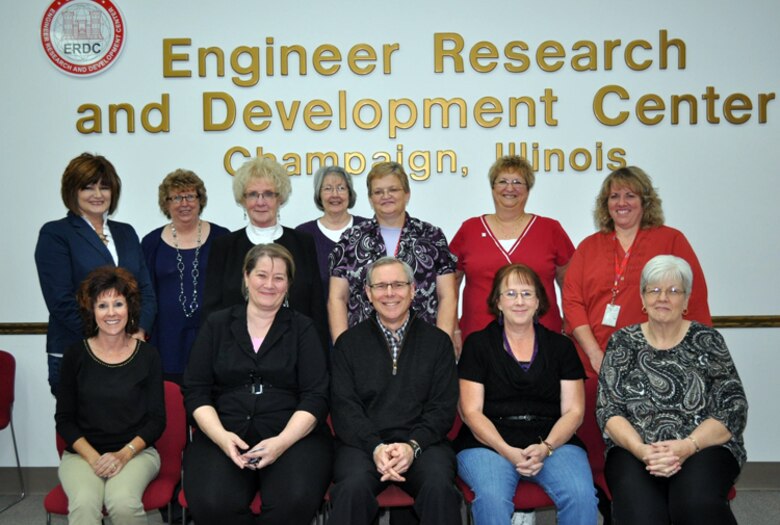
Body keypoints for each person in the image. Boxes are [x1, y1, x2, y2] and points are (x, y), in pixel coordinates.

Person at [183, 244, 332, 525]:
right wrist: (220, 437)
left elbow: (316, 396)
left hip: (292, 436)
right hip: (224, 432)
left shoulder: (303, 328)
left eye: (279, 278)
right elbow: (195, 390)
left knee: (294, 500)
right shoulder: (217, 324)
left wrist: (282, 443)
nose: (269, 285)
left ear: (288, 284)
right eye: (262, 275)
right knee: (211, 503)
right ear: (246, 277)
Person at [597, 255, 747, 525]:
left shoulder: (707, 340)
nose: (662, 297)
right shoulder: (622, 342)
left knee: (694, 505)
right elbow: (609, 411)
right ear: (643, 299)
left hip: (703, 446)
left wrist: (688, 446)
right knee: (641, 515)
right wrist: (643, 451)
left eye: (673, 291)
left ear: (687, 300)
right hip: (635, 449)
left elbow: (732, 408)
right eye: (654, 290)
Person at [455, 263, 598, 525]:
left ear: (538, 301)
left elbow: (574, 412)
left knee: (581, 496)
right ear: (497, 302)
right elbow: (470, 412)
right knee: (491, 498)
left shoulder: (562, 347)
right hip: (488, 443)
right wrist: (507, 450)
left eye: (526, 293)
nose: (519, 301)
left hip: (553, 440)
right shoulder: (477, 344)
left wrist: (547, 447)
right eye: (510, 294)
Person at [329, 257, 461, 525]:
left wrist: (413, 446)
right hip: (363, 446)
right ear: (368, 293)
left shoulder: (438, 343)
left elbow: (442, 408)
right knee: (351, 488)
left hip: (423, 444)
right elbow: (344, 408)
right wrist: (375, 446)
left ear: (413, 290)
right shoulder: (348, 344)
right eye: (380, 286)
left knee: (439, 487)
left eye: (398, 285)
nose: (389, 293)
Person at [563, 166, 711, 377]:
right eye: (614, 196)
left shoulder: (672, 240)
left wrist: (691, 357)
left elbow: (693, 299)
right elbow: (572, 302)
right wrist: (595, 354)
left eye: (630, 196)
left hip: (659, 365)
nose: (621, 203)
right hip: (593, 365)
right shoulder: (588, 247)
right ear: (606, 204)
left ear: (645, 202)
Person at [36, 152, 156, 395]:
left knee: (128, 424)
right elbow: (60, 301)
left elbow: (145, 291)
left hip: (127, 352)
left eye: (105, 187)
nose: (98, 195)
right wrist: (105, 340)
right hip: (76, 350)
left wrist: (139, 330)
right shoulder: (56, 234)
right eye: (88, 187)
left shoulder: (126, 233)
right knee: (82, 430)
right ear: (72, 191)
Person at [55, 266, 165, 525]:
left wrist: (123, 455)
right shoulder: (75, 355)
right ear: (92, 311)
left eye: (118, 303)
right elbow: (64, 420)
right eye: (102, 306)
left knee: (123, 502)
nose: (112, 313)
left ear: (130, 308)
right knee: (83, 504)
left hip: (136, 453)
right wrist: (95, 459)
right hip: (82, 455)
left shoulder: (148, 355)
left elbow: (156, 421)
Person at [451, 155, 574, 352]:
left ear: (528, 189)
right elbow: (450, 285)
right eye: (502, 181)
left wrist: (570, 325)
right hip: (479, 338)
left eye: (518, 182)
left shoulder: (550, 229)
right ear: (492, 188)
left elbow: (570, 283)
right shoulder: (469, 229)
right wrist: (453, 328)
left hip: (542, 336)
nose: (510, 188)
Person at [202, 157, 327, 350]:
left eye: (268, 194)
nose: (260, 202)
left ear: (280, 198)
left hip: (296, 352)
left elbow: (316, 307)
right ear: (243, 200)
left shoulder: (303, 243)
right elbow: (212, 311)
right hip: (235, 355)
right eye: (253, 194)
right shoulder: (224, 246)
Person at [329, 161, 457, 344]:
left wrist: (442, 344)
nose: (386, 196)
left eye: (393, 190)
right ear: (371, 199)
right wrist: (342, 346)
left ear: (407, 194)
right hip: (363, 346)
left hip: (423, 345)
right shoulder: (350, 239)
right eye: (378, 192)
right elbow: (337, 298)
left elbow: (448, 296)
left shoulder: (432, 237)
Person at [142, 169, 229, 384]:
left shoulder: (223, 238)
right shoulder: (151, 243)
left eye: (190, 196)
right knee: (170, 407)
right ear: (166, 203)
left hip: (213, 339)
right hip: (165, 341)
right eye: (176, 197)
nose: (184, 203)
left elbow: (231, 290)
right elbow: (143, 292)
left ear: (200, 200)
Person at [295, 165, 368, 305]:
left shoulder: (367, 230)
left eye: (341, 188)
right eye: (328, 188)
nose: (335, 195)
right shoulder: (303, 234)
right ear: (319, 194)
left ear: (350, 193)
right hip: (318, 323)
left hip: (363, 323)